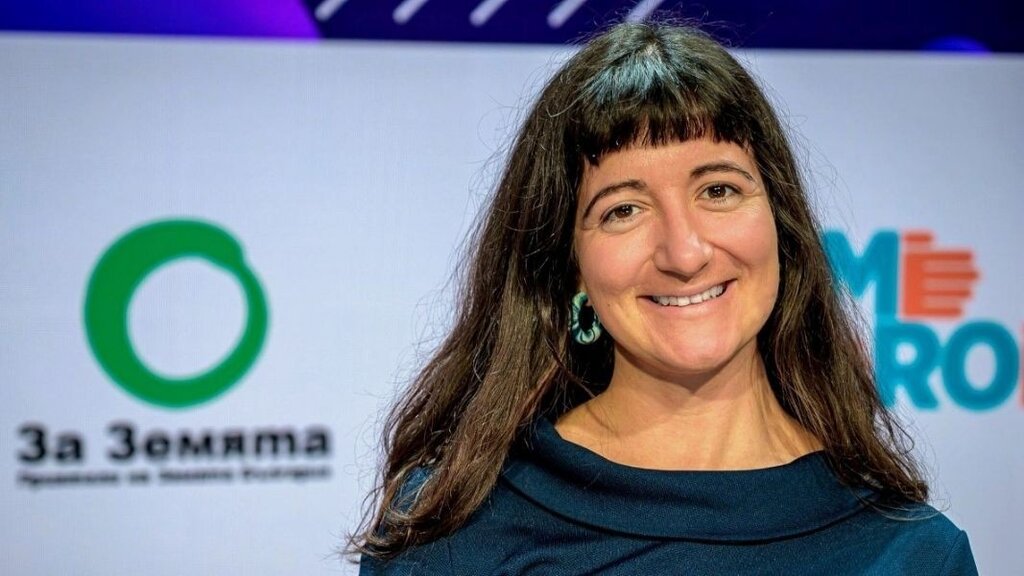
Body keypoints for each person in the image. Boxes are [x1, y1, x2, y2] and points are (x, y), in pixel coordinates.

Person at [352, 20, 978, 575]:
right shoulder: (453, 537)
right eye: (623, 209)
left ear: (780, 224)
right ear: (569, 266)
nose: (685, 253)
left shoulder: (913, 554)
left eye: (719, 190)